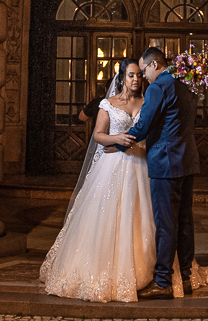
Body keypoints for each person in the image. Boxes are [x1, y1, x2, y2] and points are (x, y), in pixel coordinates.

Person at [39, 58, 155, 302]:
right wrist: (118, 139)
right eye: (131, 75)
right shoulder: (108, 104)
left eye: (138, 76)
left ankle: (146, 271)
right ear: (122, 77)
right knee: (106, 217)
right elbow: (99, 136)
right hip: (112, 166)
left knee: (141, 217)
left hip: (140, 166)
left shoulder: (147, 102)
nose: (135, 80)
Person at [120, 46, 201, 300]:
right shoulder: (186, 85)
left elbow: (144, 124)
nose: (143, 77)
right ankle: (186, 277)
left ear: (154, 65)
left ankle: (163, 281)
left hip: (166, 163)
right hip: (187, 161)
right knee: (185, 221)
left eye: (144, 71)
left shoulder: (159, 87)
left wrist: (121, 138)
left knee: (166, 224)